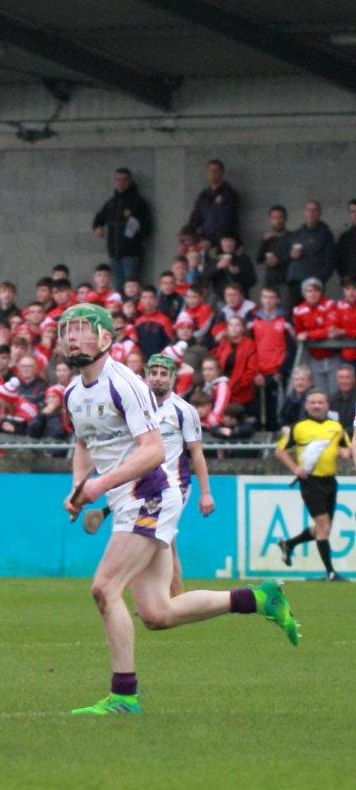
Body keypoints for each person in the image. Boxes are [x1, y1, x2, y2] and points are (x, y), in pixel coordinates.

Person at [58, 302, 299, 716]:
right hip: (129, 497)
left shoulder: (125, 384)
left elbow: (152, 453)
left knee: (104, 588)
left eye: (82, 329)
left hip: (150, 495)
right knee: (157, 612)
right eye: (67, 330)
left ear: (104, 338)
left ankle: (124, 696)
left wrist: (98, 484)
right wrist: (79, 488)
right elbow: (84, 444)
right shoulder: (71, 392)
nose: (72, 337)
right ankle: (259, 599)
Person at [83, 354, 214, 597]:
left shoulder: (184, 411)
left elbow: (196, 454)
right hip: (144, 484)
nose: (158, 379)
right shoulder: (137, 407)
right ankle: (166, 602)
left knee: (164, 543)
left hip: (175, 485)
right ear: (146, 376)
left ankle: (173, 601)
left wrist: (205, 493)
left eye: (164, 374)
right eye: (153, 373)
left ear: (174, 378)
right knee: (156, 544)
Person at [275, 390, 350, 581]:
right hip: (310, 482)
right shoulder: (299, 427)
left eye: (320, 402)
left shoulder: (336, 427)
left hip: (330, 481)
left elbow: (346, 449)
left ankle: (289, 544)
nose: (316, 405)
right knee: (323, 525)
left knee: (322, 529)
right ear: (307, 405)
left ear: (327, 405)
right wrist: (295, 468)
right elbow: (279, 451)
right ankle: (330, 573)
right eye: (313, 402)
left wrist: (344, 452)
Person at [92, 167, 152, 290]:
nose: (120, 183)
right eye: (118, 180)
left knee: (131, 286)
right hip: (114, 251)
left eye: (124, 180)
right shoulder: (111, 203)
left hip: (131, 252)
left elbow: (147, 225)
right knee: (119, 286)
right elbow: (99, 218)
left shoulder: (138, 202)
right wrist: (98, 227)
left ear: (129, 181)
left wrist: (139, 240)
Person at [252, 285, 294, 432]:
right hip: (258, 373)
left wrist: (282, 371)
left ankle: (275, 443)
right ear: (261, 299)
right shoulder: (253, 320)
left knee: (277, 410)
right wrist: (255, 372)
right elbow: (250, 349)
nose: (268, 301)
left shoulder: (285, 319)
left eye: (271, 297)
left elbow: (290, 348)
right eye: (265, 297)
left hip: (277, 373)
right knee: (259, 411)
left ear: (277, 300)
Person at [293, 277, 339, 398]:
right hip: (314, 359)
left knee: (335, 395)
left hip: (333, 357)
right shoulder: (298, 310)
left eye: (316, 290)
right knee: (319, 395)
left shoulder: (329, 304)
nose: (313, 294)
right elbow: (298, 334)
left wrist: (309, 334)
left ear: (321, 292)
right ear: (303, 293)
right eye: (309, 291)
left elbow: (330, 330)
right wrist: (315, 334)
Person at [285, 203, 335, 304]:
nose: (311, 213)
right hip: (295, 282)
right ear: (304, 213)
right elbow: (285, 256)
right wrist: (291, 255)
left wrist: (320, 279)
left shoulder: (325, 234)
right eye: (308, 210)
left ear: (319, 213)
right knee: (295, 315)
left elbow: (330, 260)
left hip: (313, 284)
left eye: (314, 210)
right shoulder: (297, 233)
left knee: (314, 315)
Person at [184, 159, 240, 247]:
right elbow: (195, 217)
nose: (212, 174)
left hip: (224, 243)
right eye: (209, 171)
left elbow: (227, 221)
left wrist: (213, 241)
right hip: (205, 241)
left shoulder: (229, 194)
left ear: (222, 173)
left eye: (215, 171)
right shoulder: (203, 195)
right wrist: (187, 235)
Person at [200, 233, 256, 300]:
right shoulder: (213, 258)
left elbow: (252, 280)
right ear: (220, 242)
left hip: (240, 299)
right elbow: (204, 277)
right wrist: (218, 267)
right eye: (225, 241)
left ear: (235, 243)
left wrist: (237, 273)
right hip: (219, 299)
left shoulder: (243, 258)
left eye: (231, 241)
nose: (228, 244)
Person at [256, 206, 293, 304]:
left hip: (286, 281)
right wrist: (264, 242)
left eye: (280, 217)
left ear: (285, 219)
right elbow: (258, 259)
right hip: (270, 280)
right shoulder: (267, 238)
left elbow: (294, 258)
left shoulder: (292, 237)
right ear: (270, 220)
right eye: (274, 218)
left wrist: (279, 261)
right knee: (268, 311)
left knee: (285, 312)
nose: (278, 221)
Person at [277, 366, 312, 430]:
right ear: (292, 383)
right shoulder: (289, 399)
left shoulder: (313, 399)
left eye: (303, 379)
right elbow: (282, 418)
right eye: (297, 380)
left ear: (309, 383)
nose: (300, 382)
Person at [329, 366, 356, 430]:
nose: (344, 381)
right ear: (337, 380)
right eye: (341, 378)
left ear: (354, 380)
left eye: (348, 377)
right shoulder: (333, 400)